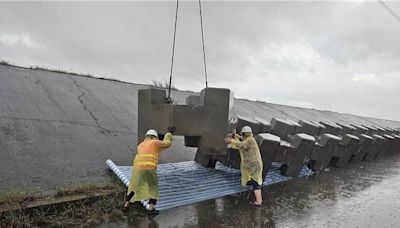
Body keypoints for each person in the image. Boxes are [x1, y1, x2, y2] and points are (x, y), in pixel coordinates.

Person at [123, 127, 175, 214]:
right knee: (153, 188)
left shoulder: (140, 145)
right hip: (150, 169)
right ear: (155, 136)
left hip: (139, 169)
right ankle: (151, 209)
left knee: (135, 186)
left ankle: (125, 206)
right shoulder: (155, 142)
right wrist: (169, 133)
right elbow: (167, 143)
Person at [224, 126, 263, 207]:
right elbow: (241, 139)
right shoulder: (249, 139)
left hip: (254, 165)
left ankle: (258, 201)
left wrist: (230, 140)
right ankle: (250, 186)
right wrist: (235, 135)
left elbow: (241, 144)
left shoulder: (250, 140)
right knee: (251, 178)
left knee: (255, 183)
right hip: (252, 164)